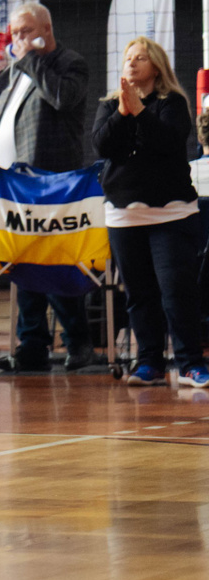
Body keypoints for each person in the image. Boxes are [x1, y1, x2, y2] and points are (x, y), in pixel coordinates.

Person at [0, 0, 94, 372]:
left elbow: (62, 97)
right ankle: (32, 346)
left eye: (25, 31)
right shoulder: (15, 68)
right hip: (8, 185)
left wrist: (29, 59)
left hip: (49, 182)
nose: (17, 38)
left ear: (47, 30)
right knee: (22, 264)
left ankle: (78, 341)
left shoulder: (69, 63)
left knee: (53, 264)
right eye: (14, 32)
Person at [94, 37, 207, 388]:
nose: (131, 62)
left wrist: (140, 111)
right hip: (124, 216)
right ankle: (150, 364)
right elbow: (102, 145)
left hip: (171, 214)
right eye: (128, 58)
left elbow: (169, 143)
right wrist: (123, 112)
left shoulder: (172, 103)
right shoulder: (110, 105)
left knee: (176, 291)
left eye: (140, 58)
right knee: (139, 294)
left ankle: (191, 364)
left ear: (156, 66)